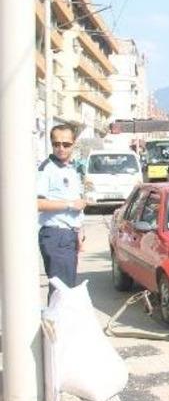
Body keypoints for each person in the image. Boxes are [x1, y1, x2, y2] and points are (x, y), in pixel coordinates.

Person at [37, 124, 87, 295]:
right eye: (56, 144)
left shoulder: (71, 168)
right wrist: (70, 204)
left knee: (66, 290)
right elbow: (38, 203)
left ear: (73, 144)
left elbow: (78, 203)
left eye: (66, 144)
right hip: (56, 234)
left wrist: (79, 231)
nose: (61, 148)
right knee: (62, 292)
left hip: (69, 234)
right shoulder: (47, 169)